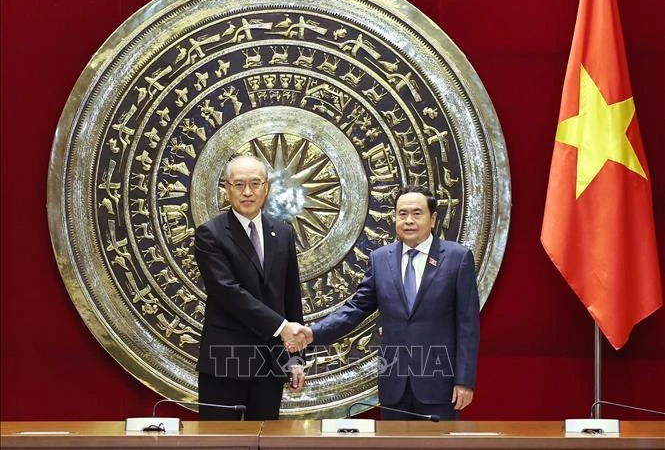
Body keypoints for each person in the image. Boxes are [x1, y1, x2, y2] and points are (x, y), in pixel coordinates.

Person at [300, 186, 480, 420]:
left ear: (433, 218)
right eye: (402, 214)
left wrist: (464, 381)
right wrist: (313, 334)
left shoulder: (457, 258)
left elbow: (468, 326)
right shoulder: (380, 259)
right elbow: (356, 308)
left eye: (417, 213)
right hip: (394, 384)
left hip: (440, 385)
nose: (409, 221)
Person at [194, 155, 307, 420]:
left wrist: (296, 359)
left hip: (270, 364)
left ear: (266, 188)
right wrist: (282, 328)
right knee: (219, 444)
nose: (248, 192)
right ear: (227, 188)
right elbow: (228, 292)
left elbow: (291, 297)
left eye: (255, 184)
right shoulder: (210, 234)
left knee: (266, 441)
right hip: (225, 364)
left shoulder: (283, 232)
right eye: (239, 184)